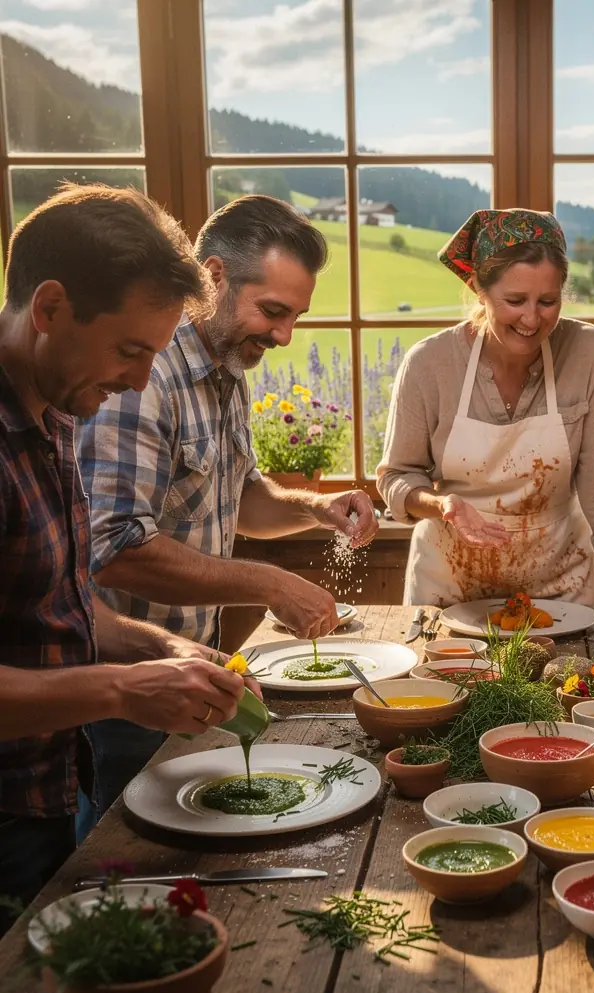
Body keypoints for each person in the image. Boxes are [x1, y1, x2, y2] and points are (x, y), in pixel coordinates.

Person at [75, 195, 378, 834]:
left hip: (192, 670)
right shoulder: (143, 378)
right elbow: (117, 549)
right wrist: (268, 583)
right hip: (124, 693)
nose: (284, 335)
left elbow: (239, 497)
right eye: (273, 311)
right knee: (125, 863)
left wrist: (317, 508)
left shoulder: (225, 365)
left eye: (295, 316)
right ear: (213, 276)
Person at [0, 184, 248, 932]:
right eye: (130, 351)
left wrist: (163, 648)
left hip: (48, 793)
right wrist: (120, 690)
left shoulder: (55, 407)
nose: (139, 381)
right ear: (50, 308)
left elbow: (62, 604)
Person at [377, 208, 594, 613]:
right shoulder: (429, 363)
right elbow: (398, 475)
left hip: (560, 583)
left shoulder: (591, 352)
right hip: (450, 585)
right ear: (478, 289)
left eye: (547, 301)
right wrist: (442, 505)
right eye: (515, 300)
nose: (531, 318)